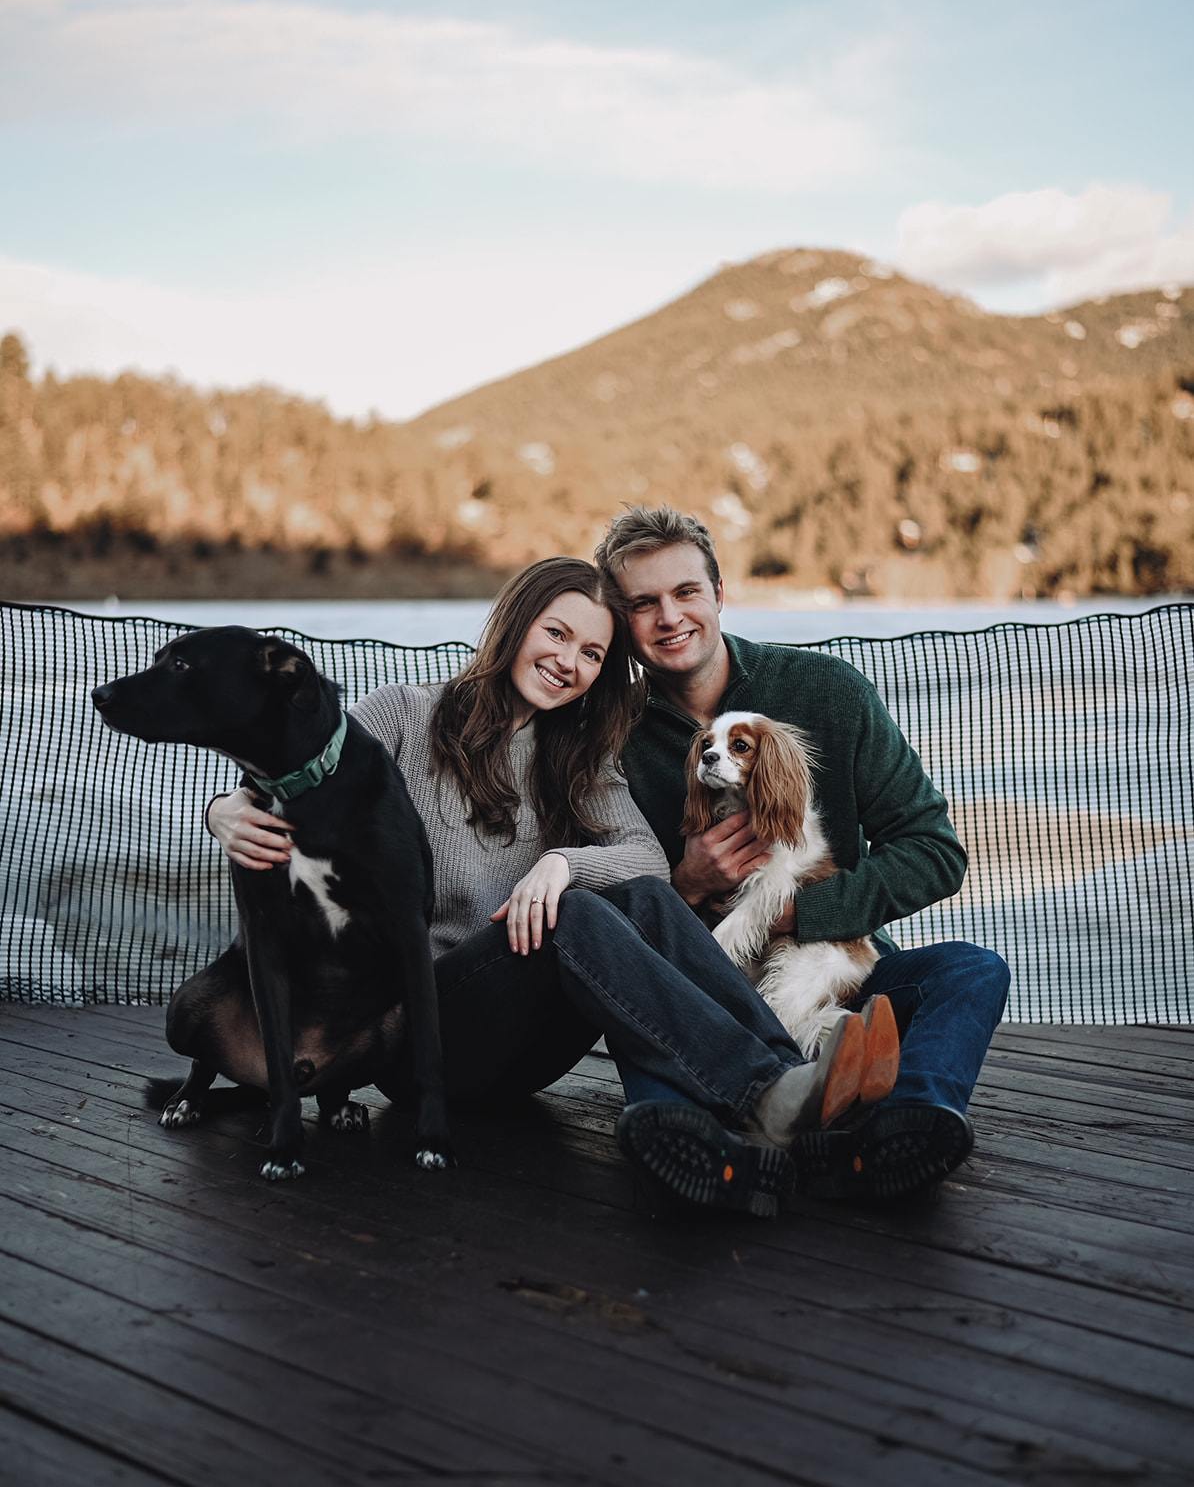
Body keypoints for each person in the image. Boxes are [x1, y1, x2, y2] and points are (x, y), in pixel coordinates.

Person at [205, 556, 893, 1215]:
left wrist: (564, 861)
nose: (569, 662)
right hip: (421, 1035)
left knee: (634, 898)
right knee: (578, 917)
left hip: (525, 1044)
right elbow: (293, 776)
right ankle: (768, 1091)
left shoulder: (581, 760)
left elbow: (648, 865)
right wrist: (226, 808)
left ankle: (780, 1081)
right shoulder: (402, 714)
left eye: (592, 653)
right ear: (515, 621)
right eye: (556, 634)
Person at [593, 505, 1011, 1207]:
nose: (669, 617)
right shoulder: (611, 736)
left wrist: (797, 913)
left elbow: (933, 850)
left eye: (686, 592)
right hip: (704, 994)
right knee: (637, 991)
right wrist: (686, 881)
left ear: (719, 595)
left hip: (831, 976)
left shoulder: (829, 691)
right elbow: (605, 919)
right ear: (623, 623)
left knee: (972, 968)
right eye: (643, 603)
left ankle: (909, 1121)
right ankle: (695, 1140)